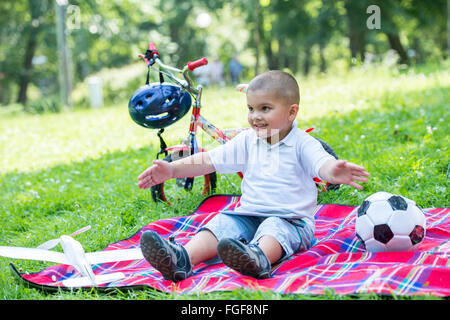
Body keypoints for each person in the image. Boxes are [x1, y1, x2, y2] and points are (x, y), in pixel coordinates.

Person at [137, 70, 370, 282]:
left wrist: (333, 171)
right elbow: (209, 160)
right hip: (248, 214)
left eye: (265, 108)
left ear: (291, 112)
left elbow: (322, 163)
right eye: (251, 108)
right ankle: (181, 258)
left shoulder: (302, 144)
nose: (255, 116)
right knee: (221, 224)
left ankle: (258, 259)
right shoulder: (247, 140)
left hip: (291, 221)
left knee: (274, 228)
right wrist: (173, 169)